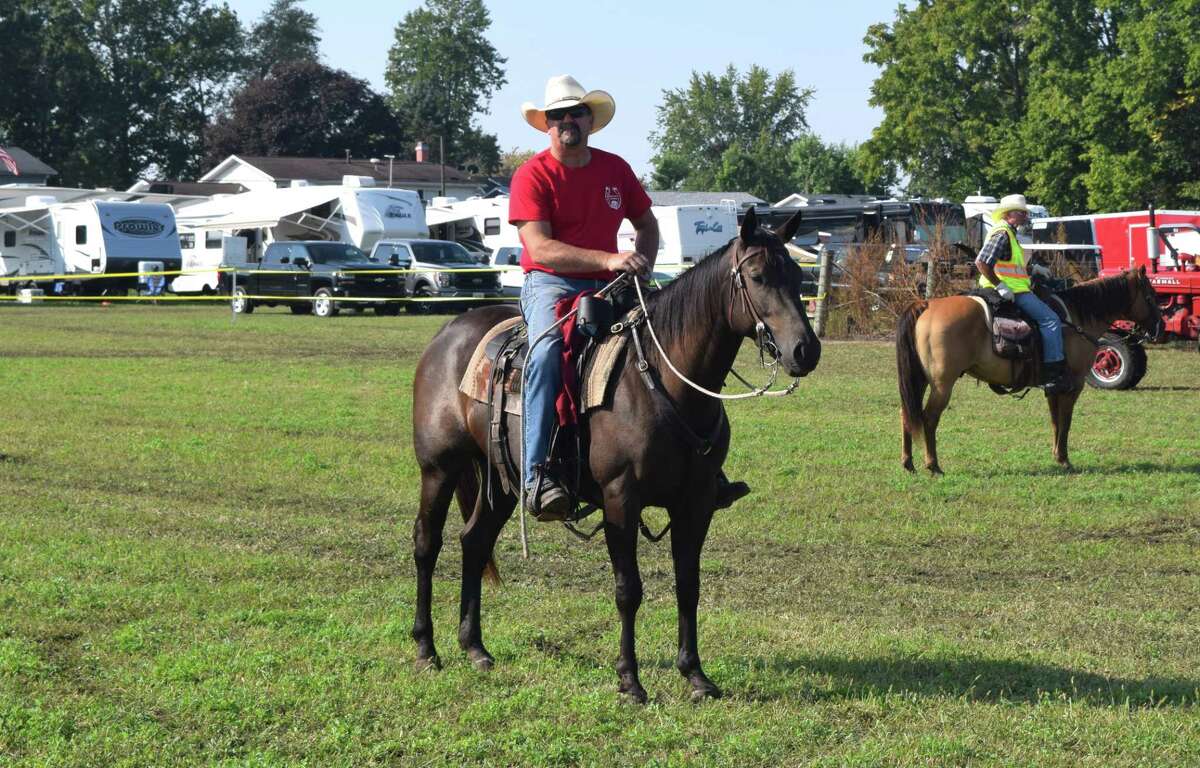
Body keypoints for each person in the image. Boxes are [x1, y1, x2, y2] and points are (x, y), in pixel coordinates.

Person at [509, 75, 747, 520]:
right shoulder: (531, 175)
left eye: (575, 113)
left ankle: (705, 469)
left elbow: (647, 225)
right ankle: (537, 475)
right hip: (550, 283)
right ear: (546, 124)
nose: (567, 122)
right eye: (557, 115)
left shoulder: (614, 168)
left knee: (675, 347)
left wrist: (642, 263)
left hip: (613, 285)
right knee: (543, 357)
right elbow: (539, 247)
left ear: (590, 120)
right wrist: (609, 257)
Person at [975, 194, 1071, 393]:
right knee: (1051, 319)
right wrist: (1001, 286)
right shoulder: (1002, 233)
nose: (1025, 216)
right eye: (1022, 212)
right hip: (1011, 291)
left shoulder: (1009, 233)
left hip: (1015, 287)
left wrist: (1033, 270)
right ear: (1009, 214)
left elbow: (1011, 266)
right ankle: (1053, 375)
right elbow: (982, 263)